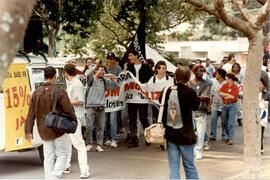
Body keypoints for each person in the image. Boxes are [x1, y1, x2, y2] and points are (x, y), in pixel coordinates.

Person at [24, 66, 77, 179]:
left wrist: (28, 130)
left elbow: (30, 114)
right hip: (58, 128)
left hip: (43, 129)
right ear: (55, 76)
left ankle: (49, 177)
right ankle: (54, 177)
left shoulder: (35, 93)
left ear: (44, 76)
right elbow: (68, 109)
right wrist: (73, 121)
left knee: (48, 156)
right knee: (62, 154)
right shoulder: (60, 91)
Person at [161, 66, 200, 179]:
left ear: (176, 77)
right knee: (189, 166)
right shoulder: (190, 92)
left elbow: (161, 104)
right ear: (188, 78)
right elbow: (195, 106)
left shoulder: (166, 90)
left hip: (171, 134)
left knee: (173, 167)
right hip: (186, 135)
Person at [63, 64, 90, 179]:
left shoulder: (76, 83)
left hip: (75, 116)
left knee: (78, 144)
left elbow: (81, 101)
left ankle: (84, 170)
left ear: (65, 73)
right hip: (70, 115)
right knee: (68, 142)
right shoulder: (72, 83)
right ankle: (66, 165)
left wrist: (66, 102)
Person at [85, 65, 119, 152]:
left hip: (101, 107)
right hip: (91, 107)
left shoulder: (104, 80)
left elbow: (116, 85)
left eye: (104, 70)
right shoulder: (91, 79)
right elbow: (87, 73)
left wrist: (113, 78)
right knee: (89, 126)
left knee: (100, 127)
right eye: (101, 70)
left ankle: (99, 144)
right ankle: (89, 143)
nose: (103, 72)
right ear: (95, 71)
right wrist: (95, 65)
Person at [126, 50, 153, 147]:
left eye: (131, 55)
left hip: (143, 97)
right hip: (132, 97)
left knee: (143, 118)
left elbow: (151, 79)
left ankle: (148, 137)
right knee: (132, 118)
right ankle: (134, 139)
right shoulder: (129, 67)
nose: (129, 57)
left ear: (136, 56)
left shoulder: (146, 67)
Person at [190, 64, 211, 159]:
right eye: (199, 71)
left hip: (201, 111)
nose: (201, 73)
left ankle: (199, 150)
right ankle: (193, 149)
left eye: (203, 71)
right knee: (191, 132)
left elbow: (206, 97)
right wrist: (197, 98)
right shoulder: (189, 83)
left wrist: (193, 97)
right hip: (190, 111)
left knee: (201, 132)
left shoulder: (206, 84)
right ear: (194, 72)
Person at [104, 52, 122, 148]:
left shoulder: (118, 69)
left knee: (113, 119)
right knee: (106, 119)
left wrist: (114, 79)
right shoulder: (104, 69)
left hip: (114, 97)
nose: (110, 60)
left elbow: (121, 82)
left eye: (112, 58)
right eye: (109, 58)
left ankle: (114, 139)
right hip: (105, 97)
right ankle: (108, 137)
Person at [219, 73, 239, 145]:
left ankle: (231, 138)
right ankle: (228, 135)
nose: (225, 80)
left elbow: (233, 97)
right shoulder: (224, 85)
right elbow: (219, 92)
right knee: (223, 122)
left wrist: (225, 95)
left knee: (231, 123)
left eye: (226, 79)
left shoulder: (235, 87)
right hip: (225, 105)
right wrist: (227, 95)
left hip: (232, 106)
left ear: (230, 79)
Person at [209, 69, 227, 141]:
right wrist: (209, 105)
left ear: (220, 75)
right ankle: (213, 135)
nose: (215, 75)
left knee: (224, 121)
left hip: (223, 105)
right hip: (214, 105)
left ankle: (224, 135)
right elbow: (212, 94)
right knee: (213, 119)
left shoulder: (226, 84)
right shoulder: (214, 83)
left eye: (217, 74)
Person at [259, 78, 270, 154]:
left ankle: (260, 146)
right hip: (254, 115)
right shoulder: (252, 93)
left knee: (260, 132)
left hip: (263, 116)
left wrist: (264, 102)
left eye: (260, 84)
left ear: (263, 85)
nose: (258, 85)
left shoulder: (267, 94)